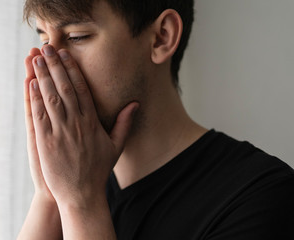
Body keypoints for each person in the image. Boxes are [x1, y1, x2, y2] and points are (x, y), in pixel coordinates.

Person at [17, 0, 294, 239]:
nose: (49, 63)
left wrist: (82, 203)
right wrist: (49, 195)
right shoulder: (63, 194)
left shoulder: (264, 197)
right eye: (43, 39)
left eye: (77, 36)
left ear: (162, 37)